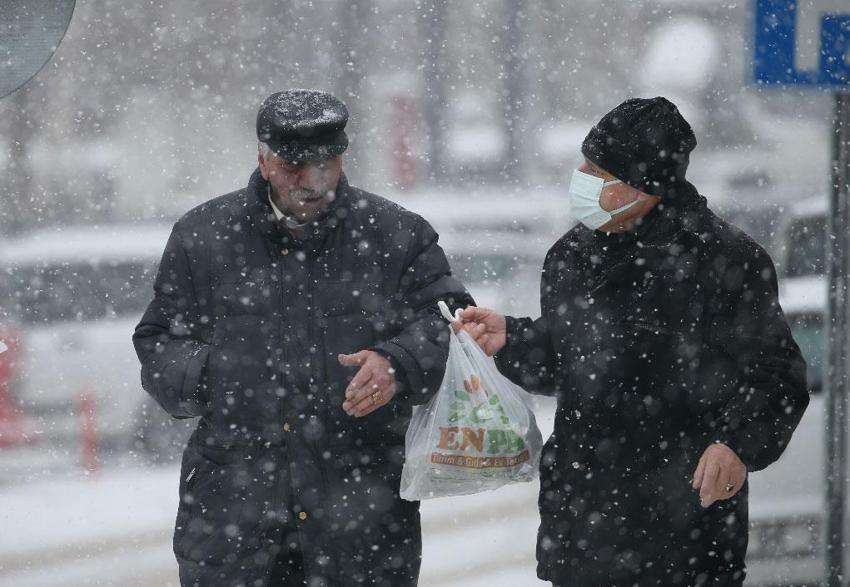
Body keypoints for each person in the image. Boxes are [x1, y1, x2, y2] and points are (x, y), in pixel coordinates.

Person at [457, 97, 809, 586]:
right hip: (582, 526)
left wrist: (736, 445)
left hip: (686, 531)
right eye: (585, 163)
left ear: (647, 184)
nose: (581, 176)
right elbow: (573, 364)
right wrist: (514, 338)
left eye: (598, 170)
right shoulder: (571, 257)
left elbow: (778, 375)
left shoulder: (726, 261)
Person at [133, 89, 472, 587]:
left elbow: (455, 325)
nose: (312, 182)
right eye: (294, 166)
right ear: (263, 160)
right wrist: (216, 375)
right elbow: (158, 342)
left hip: (362, 520)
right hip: (233, 520)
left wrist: (397, 364)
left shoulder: (397, 235)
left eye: (326, 164)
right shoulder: (202, 237)